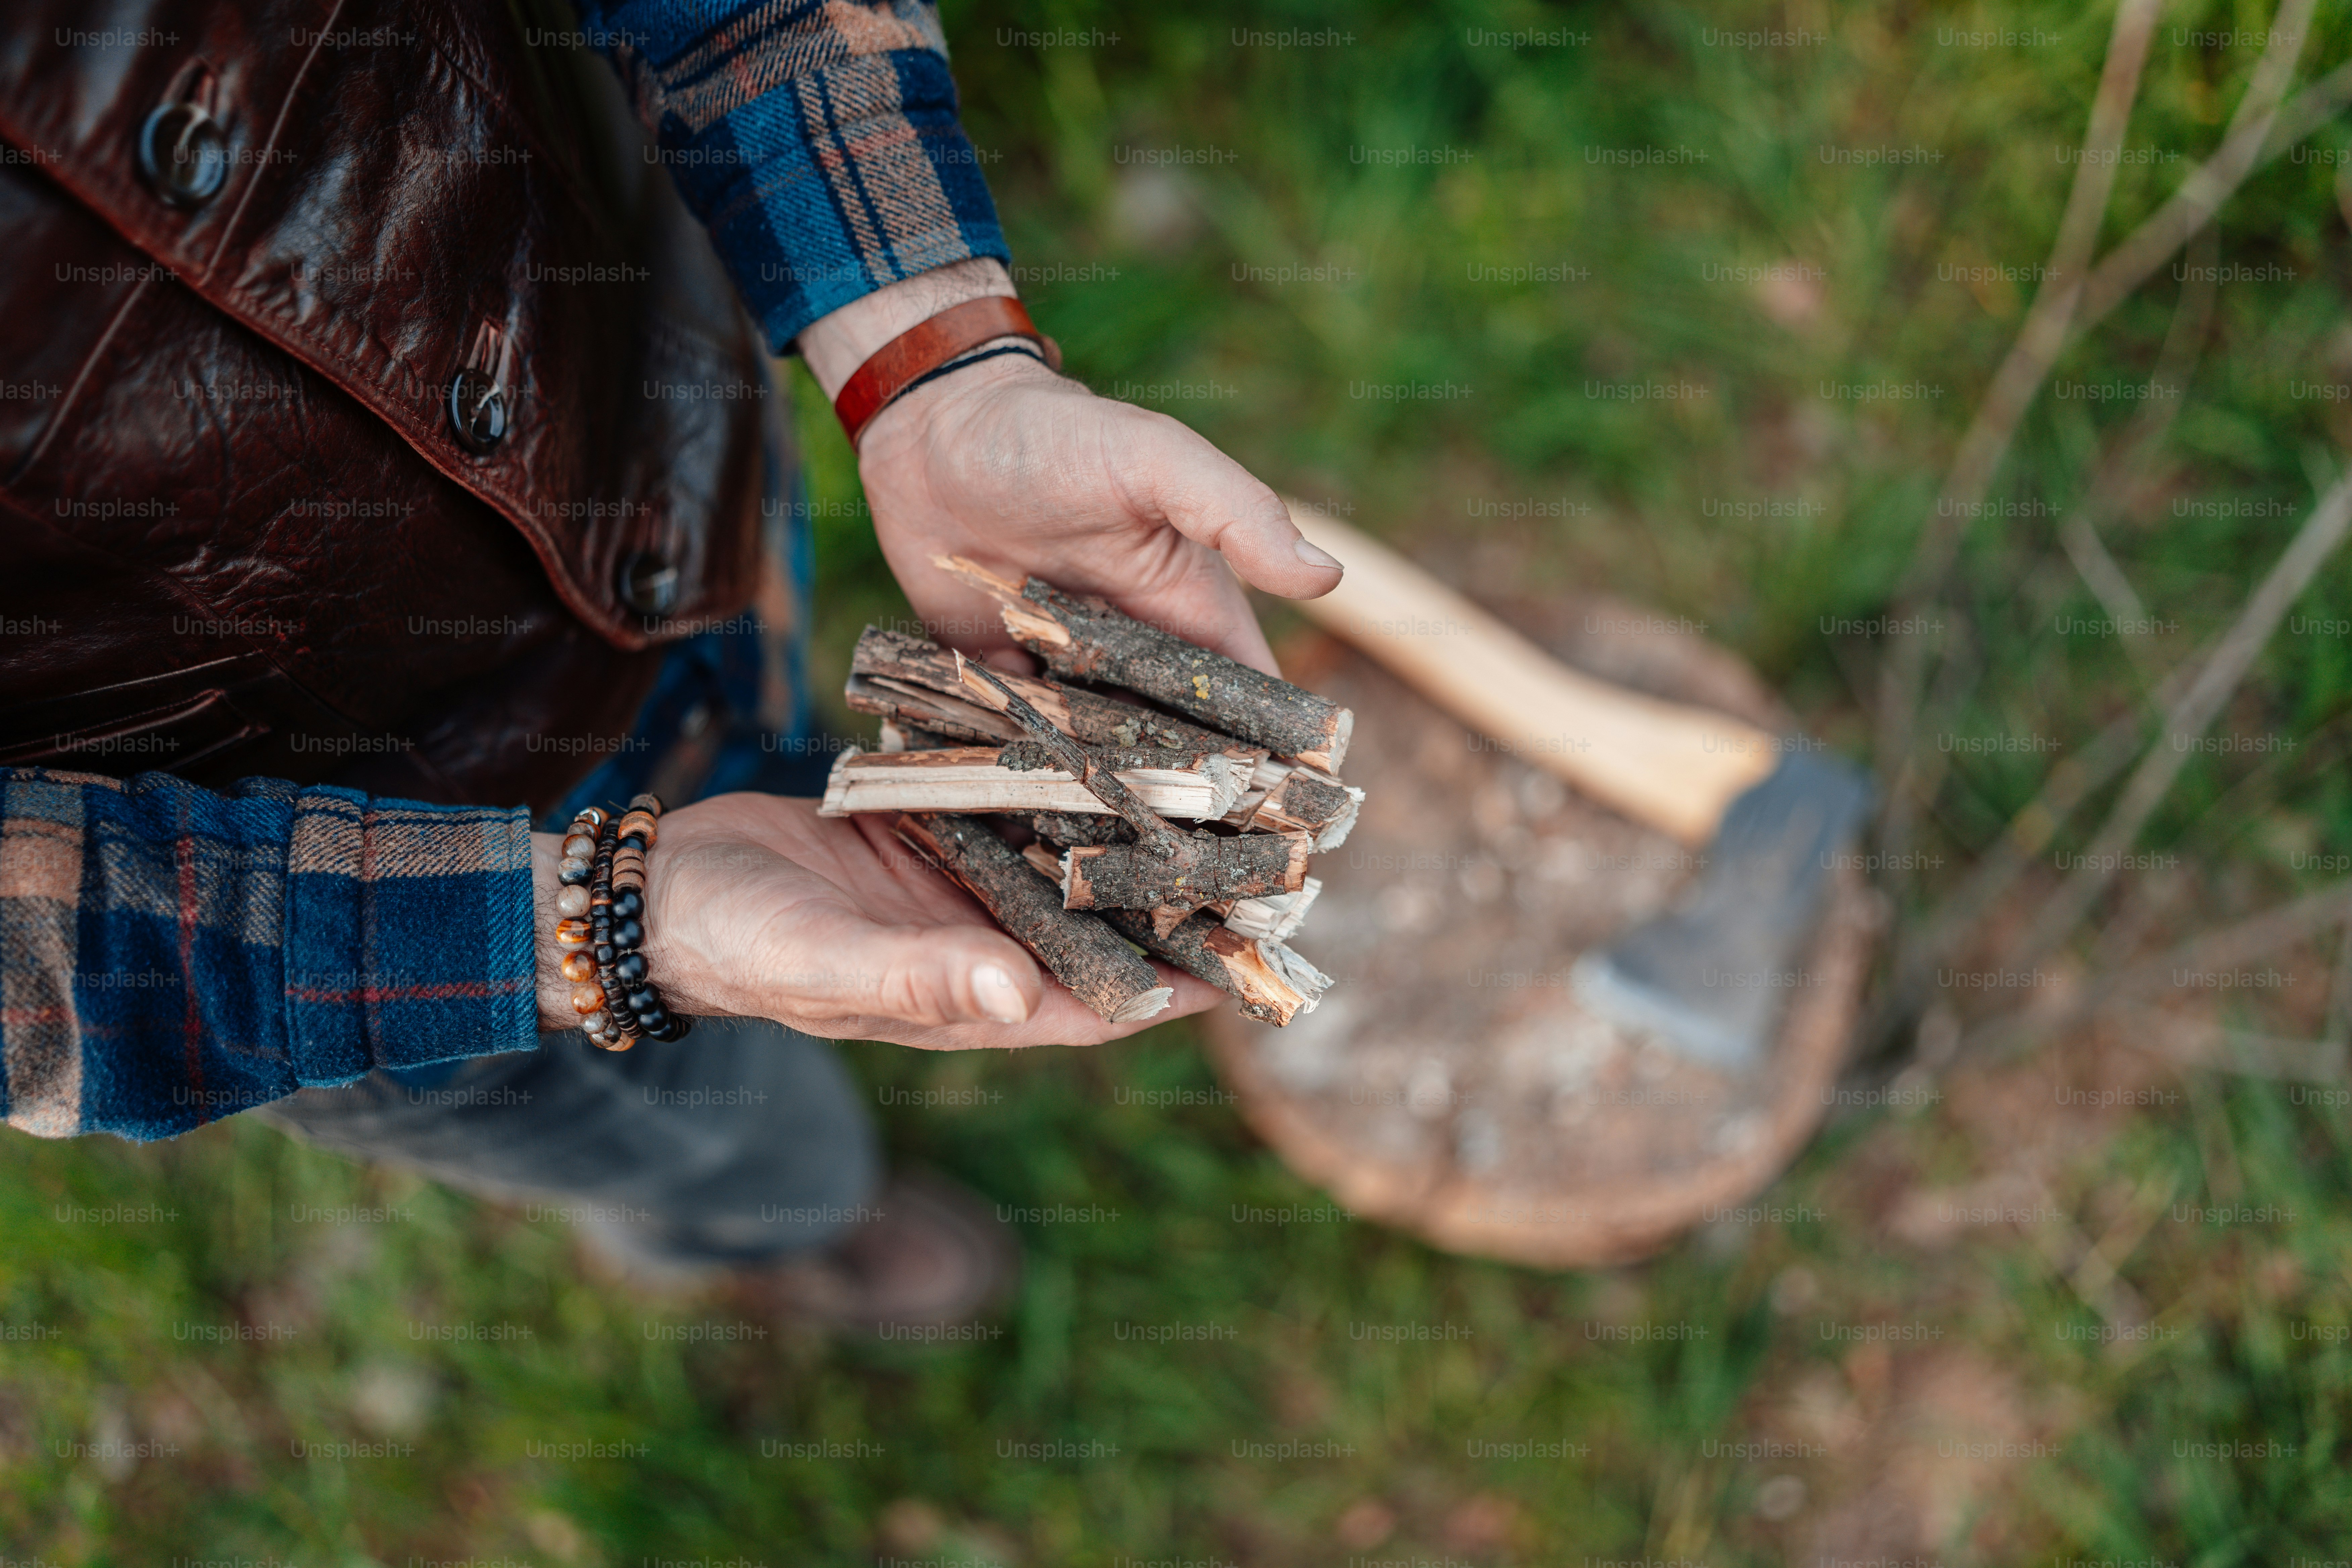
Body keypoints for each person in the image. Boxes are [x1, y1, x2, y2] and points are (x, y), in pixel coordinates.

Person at [0, 0, 1342, 1323]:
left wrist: (931, 358)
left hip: (658, 459)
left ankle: (812, 898)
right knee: (722, 1134)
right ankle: (776, 1230)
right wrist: (599, 929)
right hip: (352, 881)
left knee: (815, 755)